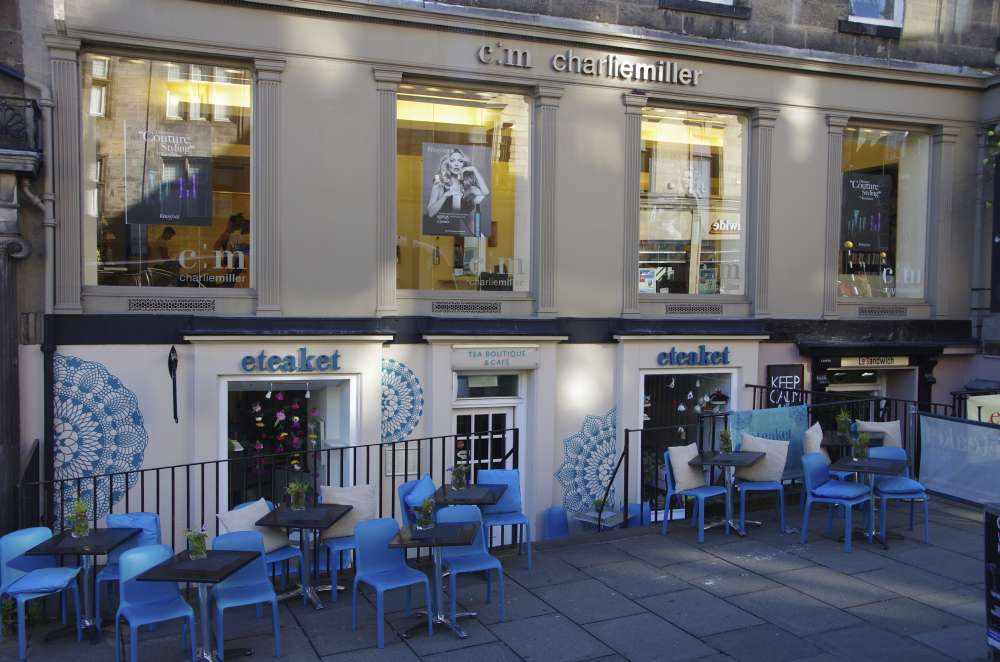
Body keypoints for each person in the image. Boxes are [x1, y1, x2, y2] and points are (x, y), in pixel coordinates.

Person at [425, 148, 489, 220]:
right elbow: (430, 213)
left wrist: (474, 170)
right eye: (452, 161)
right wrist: (445, 195)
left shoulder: (466, 185)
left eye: (460, 161)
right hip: (438, 224)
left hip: (457, 225)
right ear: (448, 164)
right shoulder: (440, 182)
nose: (456, 164)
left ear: (464, 164)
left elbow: (485, 192)